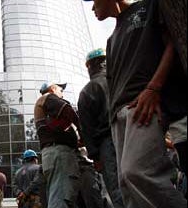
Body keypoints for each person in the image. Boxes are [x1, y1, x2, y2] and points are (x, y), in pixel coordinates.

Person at [88, 0, 187, 207]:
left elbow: (173, 42)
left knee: (139, 172)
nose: (91, 7)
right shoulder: (111, 38)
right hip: (117, 115)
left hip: (141, 106)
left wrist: (154, 88)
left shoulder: (150, 7)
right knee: (126, 184)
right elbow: (113, 81)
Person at [77, 48, 124, 208]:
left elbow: (87, 128)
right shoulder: (121, 78)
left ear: (90, 67)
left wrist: (95, 156)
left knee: (116, 188)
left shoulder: (86, 92)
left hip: (107, 143)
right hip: (131, 133)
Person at [34, 82, 81, 208]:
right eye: (61, 90)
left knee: (59, 196)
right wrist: (82, 133)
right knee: (61, 199)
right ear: (53, 89)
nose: (62, 93)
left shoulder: (44, 104)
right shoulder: (48, 97)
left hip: (54, 153)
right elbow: (69, 111)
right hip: (59, 153)